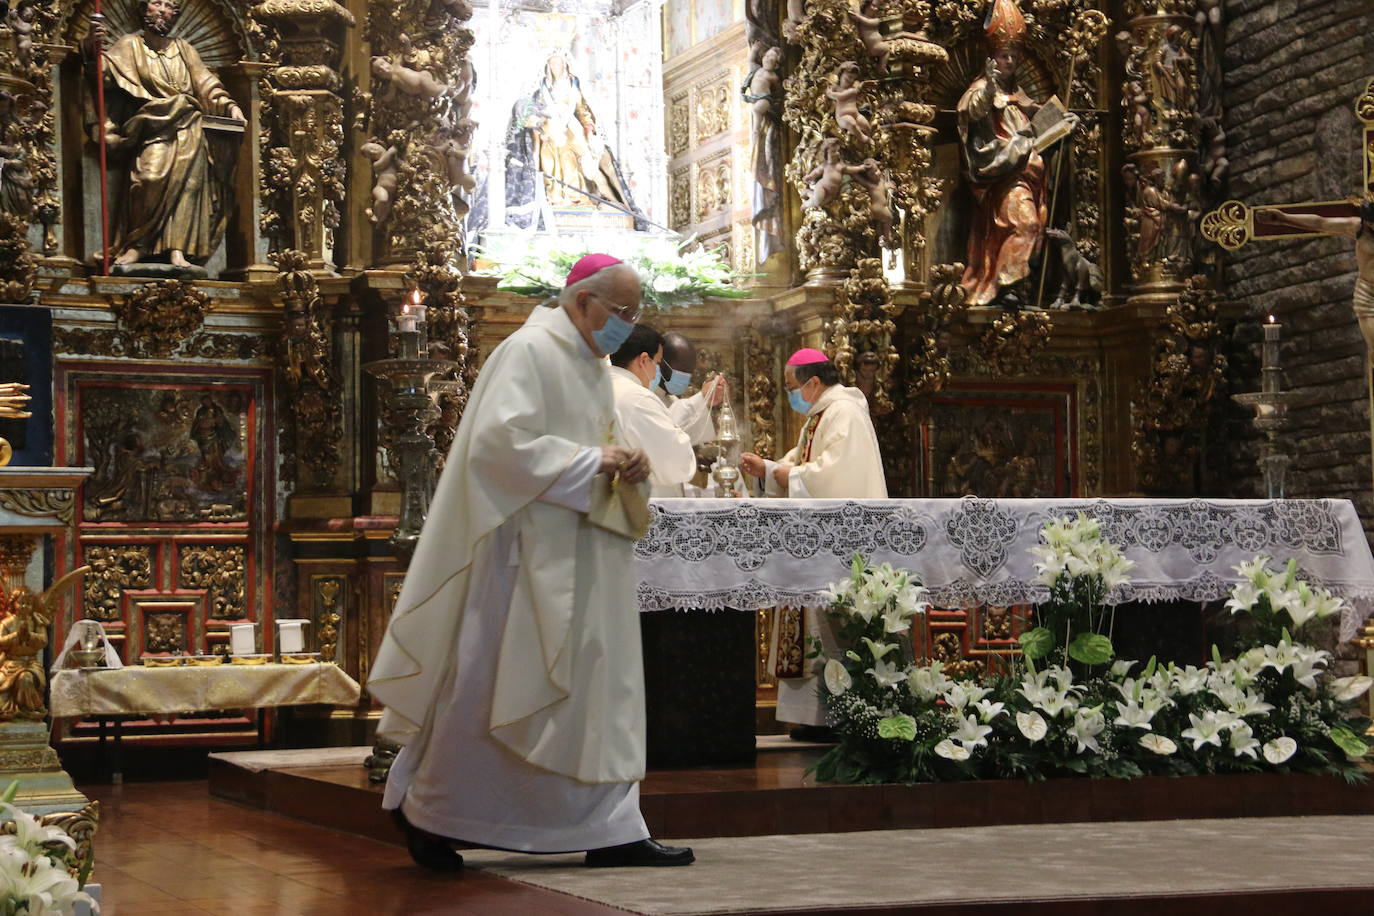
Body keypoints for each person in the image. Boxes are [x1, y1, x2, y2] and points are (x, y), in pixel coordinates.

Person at [368, 253, 694, 872]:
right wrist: (595, 462)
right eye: (623, 312)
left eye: (636, 313)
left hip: (586, 545)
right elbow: (497, 447)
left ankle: (612, 825)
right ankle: (432, 814)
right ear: (582, 302)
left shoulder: (588, 360)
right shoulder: (528, 351)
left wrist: (626, 463)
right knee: (496, 685)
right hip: (526, 558)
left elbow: (590, 444)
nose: (629, 325)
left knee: (601, 688)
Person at [739, 348, 886, 733]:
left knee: (832, 630)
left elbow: (832, 475)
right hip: (815, 542)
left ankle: (834, 717)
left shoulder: (845, 413)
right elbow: (800, 465)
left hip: (840, 546)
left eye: (792, 387)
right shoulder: (821, 415)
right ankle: (809, 718)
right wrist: (768, 469)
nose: (792, 395)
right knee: (812, 626)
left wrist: (783, 474)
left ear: (814, 382)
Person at [85, 0, 245, 270]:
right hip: (151, 125)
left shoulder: (184, 50)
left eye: (169, 5)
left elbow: (206, 84)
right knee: (148, 179)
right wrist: (92, 46)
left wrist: (231, 106)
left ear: (175, 14)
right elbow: (105, 76)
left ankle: (177, 249)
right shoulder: (129, 45)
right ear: (143, 10)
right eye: (156, 3)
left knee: (189, 190)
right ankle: (137, 244)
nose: (162, 10)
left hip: (188, 124)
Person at [956, 0, 1047, 308]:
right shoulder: (983, 87)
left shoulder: (1021, 95)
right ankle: (1005, 284)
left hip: (1030, 176)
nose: (1009, 61)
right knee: (1025, 225)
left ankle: (1016, 285)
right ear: (992, 58)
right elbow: (972, 110)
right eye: (1003, 56)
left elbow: (1040, 129)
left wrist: (1058, 123)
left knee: (1032, 227)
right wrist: (989, 86)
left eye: (1013, 56)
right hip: (1006, 176)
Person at [1258, 200, 1374, 354]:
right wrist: (1284, 218)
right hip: (1368, 294)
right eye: (1370, 222)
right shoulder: (1358, 227)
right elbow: (1320, 222)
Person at [609, 324, 698, 498]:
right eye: (657, 362)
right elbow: (676, 465)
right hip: (640, 509)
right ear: (643, 360)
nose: (655, 371)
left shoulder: (598, 387)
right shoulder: (637, 398)